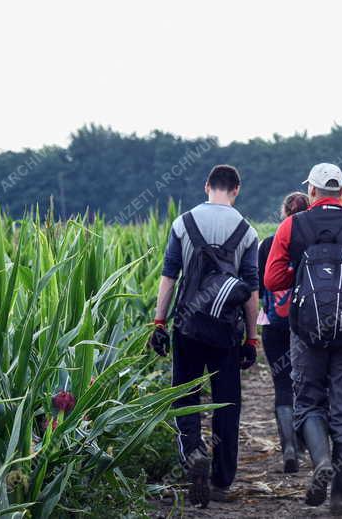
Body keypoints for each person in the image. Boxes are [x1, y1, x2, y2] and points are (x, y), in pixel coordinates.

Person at [263, 163, 342, 513]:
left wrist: (300, 274)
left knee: (308, 402)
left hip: (306, 331)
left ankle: (320, 463)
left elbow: (272, 281)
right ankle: (339, 496)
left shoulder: (293, 225)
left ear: (312, 192)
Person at [150, 164, 260, 508]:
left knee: (185, 395)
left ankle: (194, 452)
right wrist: (252, 339)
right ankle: (222, 481)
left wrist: (159, 322)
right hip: (226, 331)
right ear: (236, 190)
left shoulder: (182, 224)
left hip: (188, 326)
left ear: (207, 186)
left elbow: (169, 277)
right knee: (227, 403)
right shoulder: (247, 231)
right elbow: (252, 290)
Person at [257, 191, 310, 474]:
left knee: (281, 383)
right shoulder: (311, 242)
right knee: (307, 381)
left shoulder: (268, 243)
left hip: (274, 323)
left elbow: (258, 285)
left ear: (283, 213)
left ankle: (288, 445)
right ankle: (305, 438)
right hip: (306, 323)